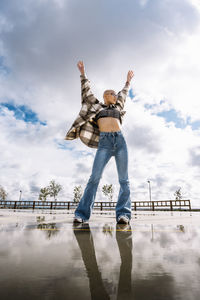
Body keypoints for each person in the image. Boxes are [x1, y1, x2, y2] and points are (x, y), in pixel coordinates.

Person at [73, 61, 134, 224]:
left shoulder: (118, 106)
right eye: (111, 93)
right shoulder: (97, 106)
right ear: (105, 96)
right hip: (104, 144)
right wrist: (83, 73)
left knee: (124, 180)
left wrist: (128, 81)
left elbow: (124, 93)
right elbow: (86, 92)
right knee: (94, 178)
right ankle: (82, 214)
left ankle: (123, 214)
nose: (114, 94)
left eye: (114, 93)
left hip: (120, 141)